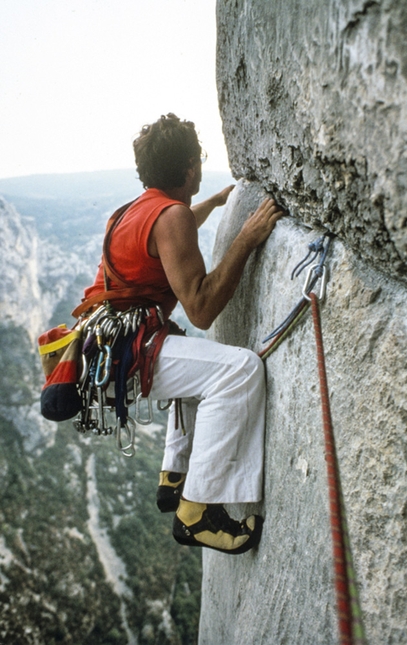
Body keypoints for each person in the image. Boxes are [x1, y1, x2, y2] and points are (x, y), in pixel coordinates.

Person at [82, 113, 283, 554]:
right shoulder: (169, 216)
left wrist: (211, 204)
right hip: (128, 353)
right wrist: (245, 239)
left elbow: (173, 227)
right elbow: (203, 308)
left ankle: (173, 475)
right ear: (190, 168)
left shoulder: (133, 211)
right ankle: (196, 511)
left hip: (105, 348)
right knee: (238, 371)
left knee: (196, 363)